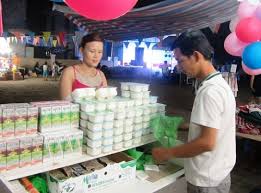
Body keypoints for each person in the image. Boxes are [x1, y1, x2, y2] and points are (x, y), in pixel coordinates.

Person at [152, 30, 236, 193]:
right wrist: (180, 125)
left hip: (206, 180)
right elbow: (213, 127)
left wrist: (167, 153)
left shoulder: (209, 92)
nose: (178, 67)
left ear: (196, 56)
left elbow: (207, 142)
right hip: (218, 173)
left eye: (180, 60)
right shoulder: (219, 84)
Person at [59, 33, 108, 100]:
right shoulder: (69, 73)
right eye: (92, 51)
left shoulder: (101, 75)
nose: (96, 56)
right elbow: (66, 104)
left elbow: (106, 102)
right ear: (82, 50)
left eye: (100, 52)